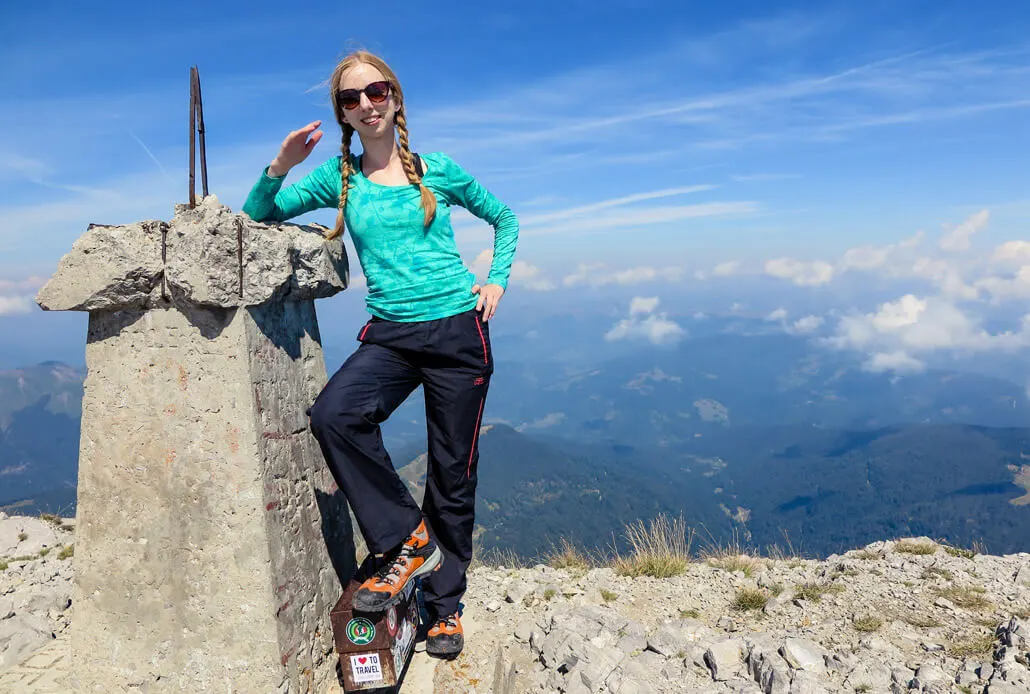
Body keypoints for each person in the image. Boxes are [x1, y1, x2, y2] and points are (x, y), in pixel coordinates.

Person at [242, 49, 518, 659]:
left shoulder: (435, 169)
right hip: (391, 334)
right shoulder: (337, 179)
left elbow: (504, 218)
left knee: (452, 475)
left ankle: (443, 608)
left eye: (377, 90)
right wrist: (281, 164)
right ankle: (406, 538)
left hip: (457, 333)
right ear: (342, 114)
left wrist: (495, 278)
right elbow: (256, 216)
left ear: (395, 97)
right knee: (333, 415)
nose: (366, 104)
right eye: (351, 98)